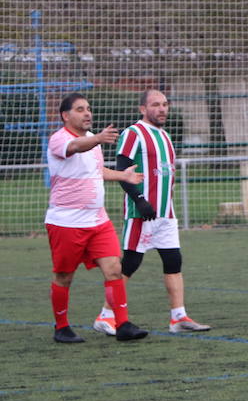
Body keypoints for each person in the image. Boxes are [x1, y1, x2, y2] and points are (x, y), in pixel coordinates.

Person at [92, 89, 211, 336]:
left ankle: (178, 317)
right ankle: (106, 315)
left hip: (165, 214)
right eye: (156, 104)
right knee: (131, 264)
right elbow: (123, 171)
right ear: (143, 109)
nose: (162, 109)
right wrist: (140, 200)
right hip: (141, 212)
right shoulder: (133, 133)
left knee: (173, 261)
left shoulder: (165, 136)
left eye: (165, 104)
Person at [44, 92, 148, 343]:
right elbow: (75, 147)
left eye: (88, 108)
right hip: (66, 222)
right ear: (66, 116)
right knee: (64, 276)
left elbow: (96, 170)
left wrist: (123, 176)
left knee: (114, 269)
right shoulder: (59, 139)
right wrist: (99, 138)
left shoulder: (92, 140)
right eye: (80, 109)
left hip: (98, 221)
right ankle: (62, 327)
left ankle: (122, 324)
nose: (87, 113)